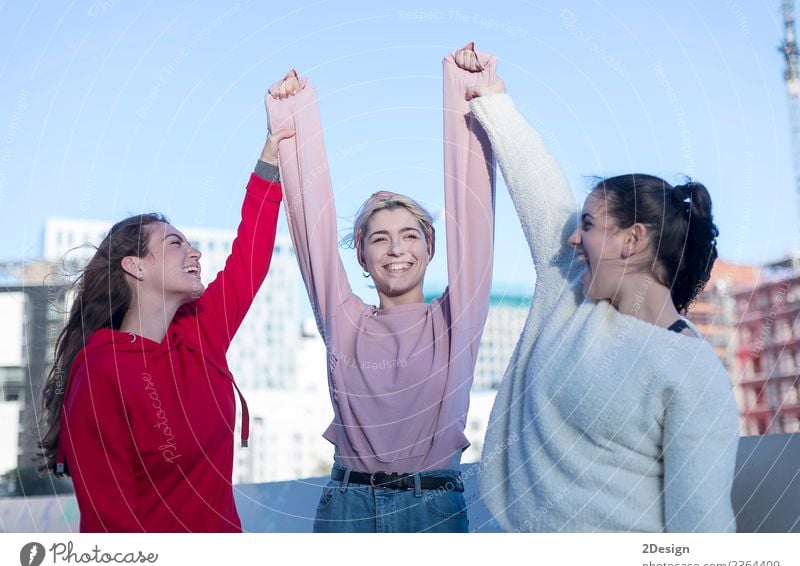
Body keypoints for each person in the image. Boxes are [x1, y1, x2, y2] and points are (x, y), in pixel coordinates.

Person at [465, 78, 740, 532]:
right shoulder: (568, 292)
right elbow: (540, 186)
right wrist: (490, 97)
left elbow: (702, 529)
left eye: (589, 224)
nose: (574, 236)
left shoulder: (693, 374)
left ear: (633, 239)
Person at [36, 91, 294, 532]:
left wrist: (273, 151)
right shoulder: (100, 372)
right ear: (134, 266)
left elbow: (249, 256)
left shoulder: (200, 332)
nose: (194, 252)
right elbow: (109, 519)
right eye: (175, 243)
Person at [266, 43, 496, 532]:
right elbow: (312, 230)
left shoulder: (457, 322)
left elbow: (474, 215)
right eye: (381, 239)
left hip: (430, 512)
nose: (397, 249)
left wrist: (466, 94)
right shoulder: (344, 321)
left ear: (431, 248)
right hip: (348, 509)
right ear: (364, 257)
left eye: (411, 236)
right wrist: (295, 117)